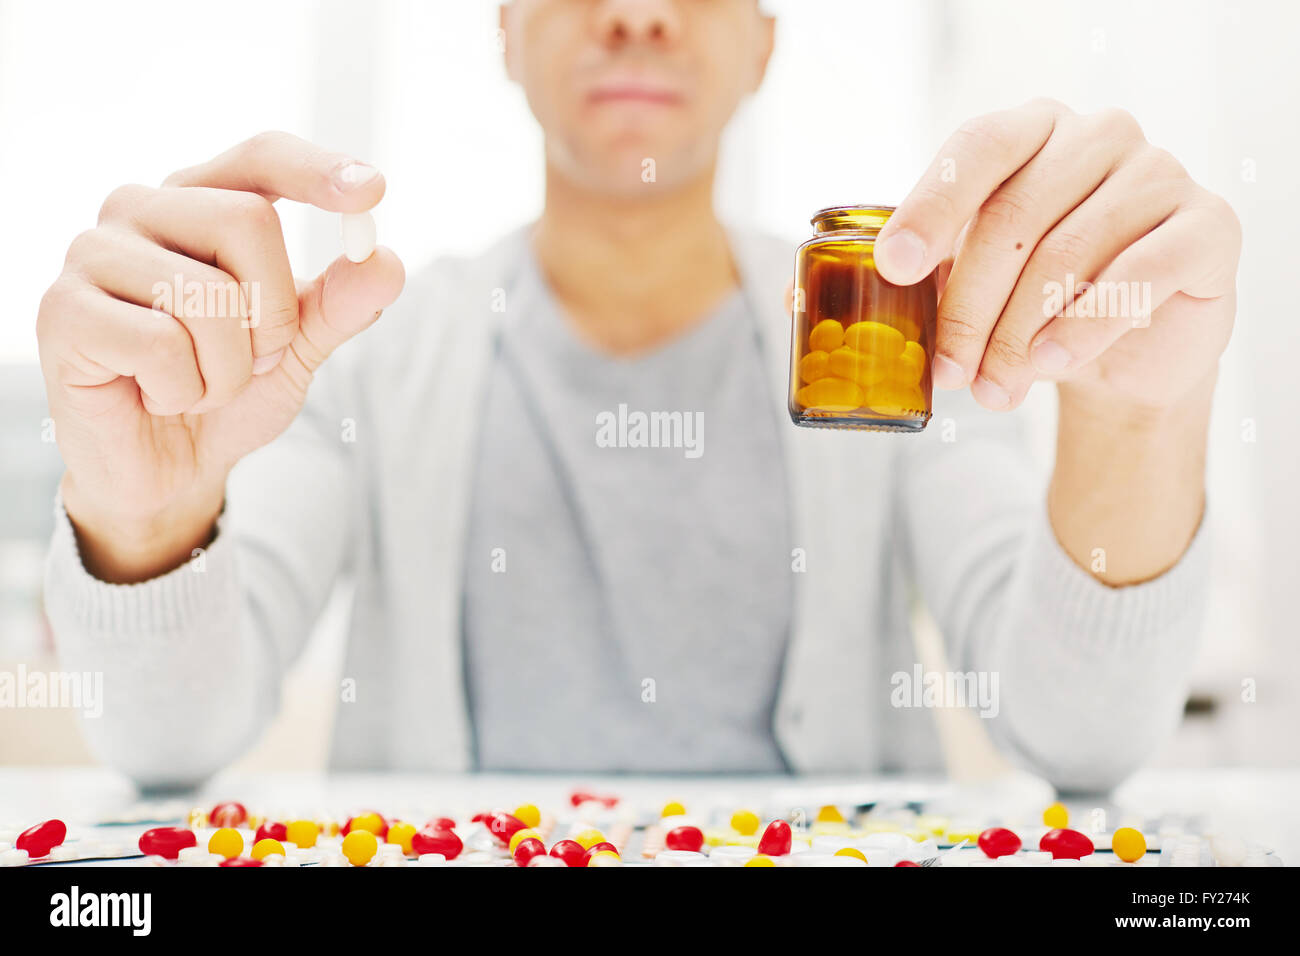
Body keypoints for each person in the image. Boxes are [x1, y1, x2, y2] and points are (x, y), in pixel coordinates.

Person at [37, 0, 1237, 790]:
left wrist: (1137, 414)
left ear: (763, 43)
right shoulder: (366, 348)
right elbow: (170, 743)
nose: (638, 14)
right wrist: (142, 516)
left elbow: (1078, 733)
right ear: (507, 34)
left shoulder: (879, 336)